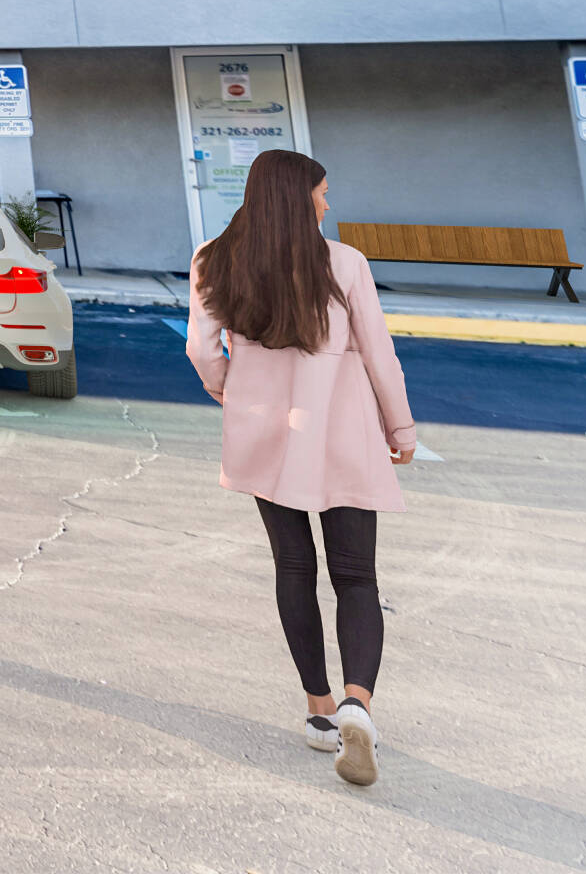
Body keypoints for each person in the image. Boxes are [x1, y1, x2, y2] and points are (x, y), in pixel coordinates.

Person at [186, 147, 415, 789]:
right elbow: (379, 354)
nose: (327, 202)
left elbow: (201, 348)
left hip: (264, 433)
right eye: (322, 191)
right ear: (298, 196)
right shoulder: (344, 263)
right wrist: (400, 427)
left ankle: (319, 710)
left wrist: (229, 389)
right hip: (342, 430)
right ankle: (356, 705)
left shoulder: (214, 259)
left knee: (293, 566)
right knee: (356, 574)